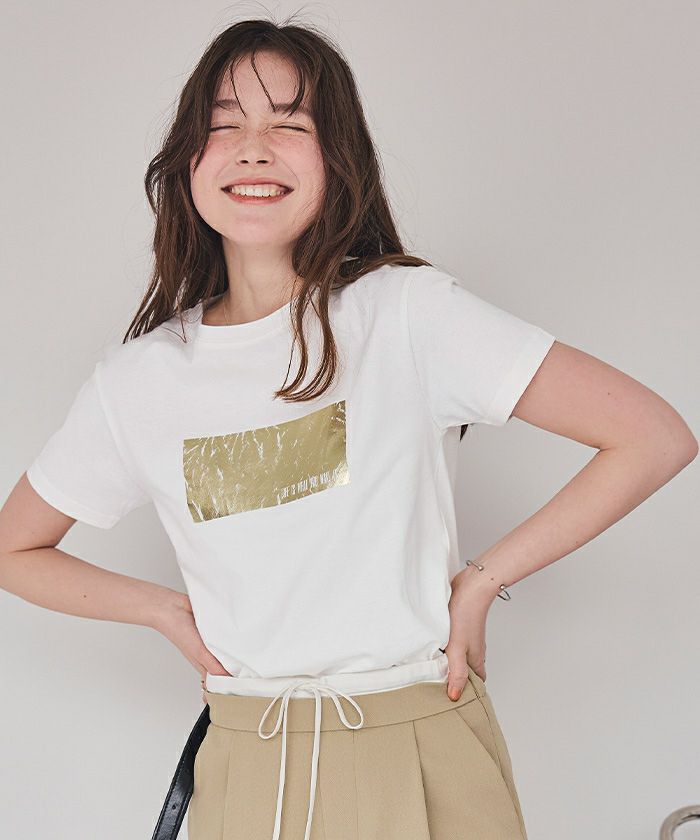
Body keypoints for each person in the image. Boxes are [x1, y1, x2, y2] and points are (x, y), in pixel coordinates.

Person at [1, 16, 696, 840]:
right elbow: (15, 548)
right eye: (224, 125)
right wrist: (163, 610)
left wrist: (483, 579)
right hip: (247, 760)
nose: (253, 150)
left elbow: (652, 436)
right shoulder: (139, 381)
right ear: (187, 161)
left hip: (420, 741)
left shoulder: (405, 314)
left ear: (339, 159)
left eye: (289, 125)